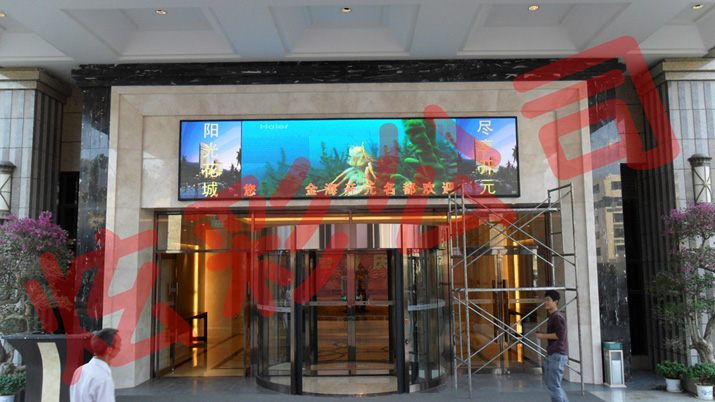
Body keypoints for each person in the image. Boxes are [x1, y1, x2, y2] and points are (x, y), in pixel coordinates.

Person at [70, 328, 121, 402]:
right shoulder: (103, 379)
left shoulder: (79, 371)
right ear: (109, 350)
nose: (120, 347)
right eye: (119, 343)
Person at [536, 290, 569, 402]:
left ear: (556, 302)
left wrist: (542, 336)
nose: (545, 302)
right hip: (554, 354)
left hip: (557, 354)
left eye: (548, 300)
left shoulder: (557, 317)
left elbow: (559, 335)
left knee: (554, 386)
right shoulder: (553, 316)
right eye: (545, 300)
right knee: (553, 384)